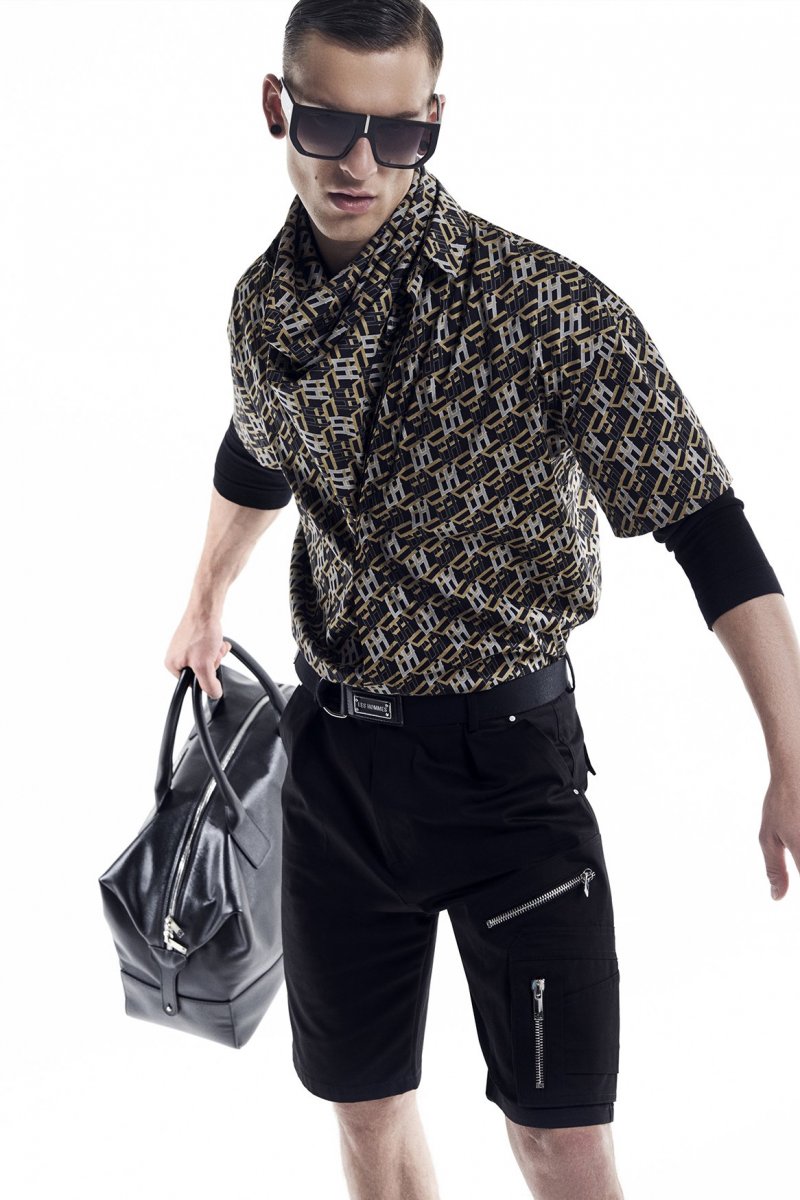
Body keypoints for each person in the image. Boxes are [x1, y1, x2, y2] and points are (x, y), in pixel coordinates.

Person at [165, 3, 800, 1198]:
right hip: (335, 768)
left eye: (397, 133)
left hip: (505, 769)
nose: (359, 163)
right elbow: (257, 449)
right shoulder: (262, 307)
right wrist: (203, 600)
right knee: (363, 1110)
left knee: (560, 1136)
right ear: (275, 108)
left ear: (433, 121)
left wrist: (790, 754)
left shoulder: (541, 308)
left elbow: (708, 531)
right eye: (328, 124)